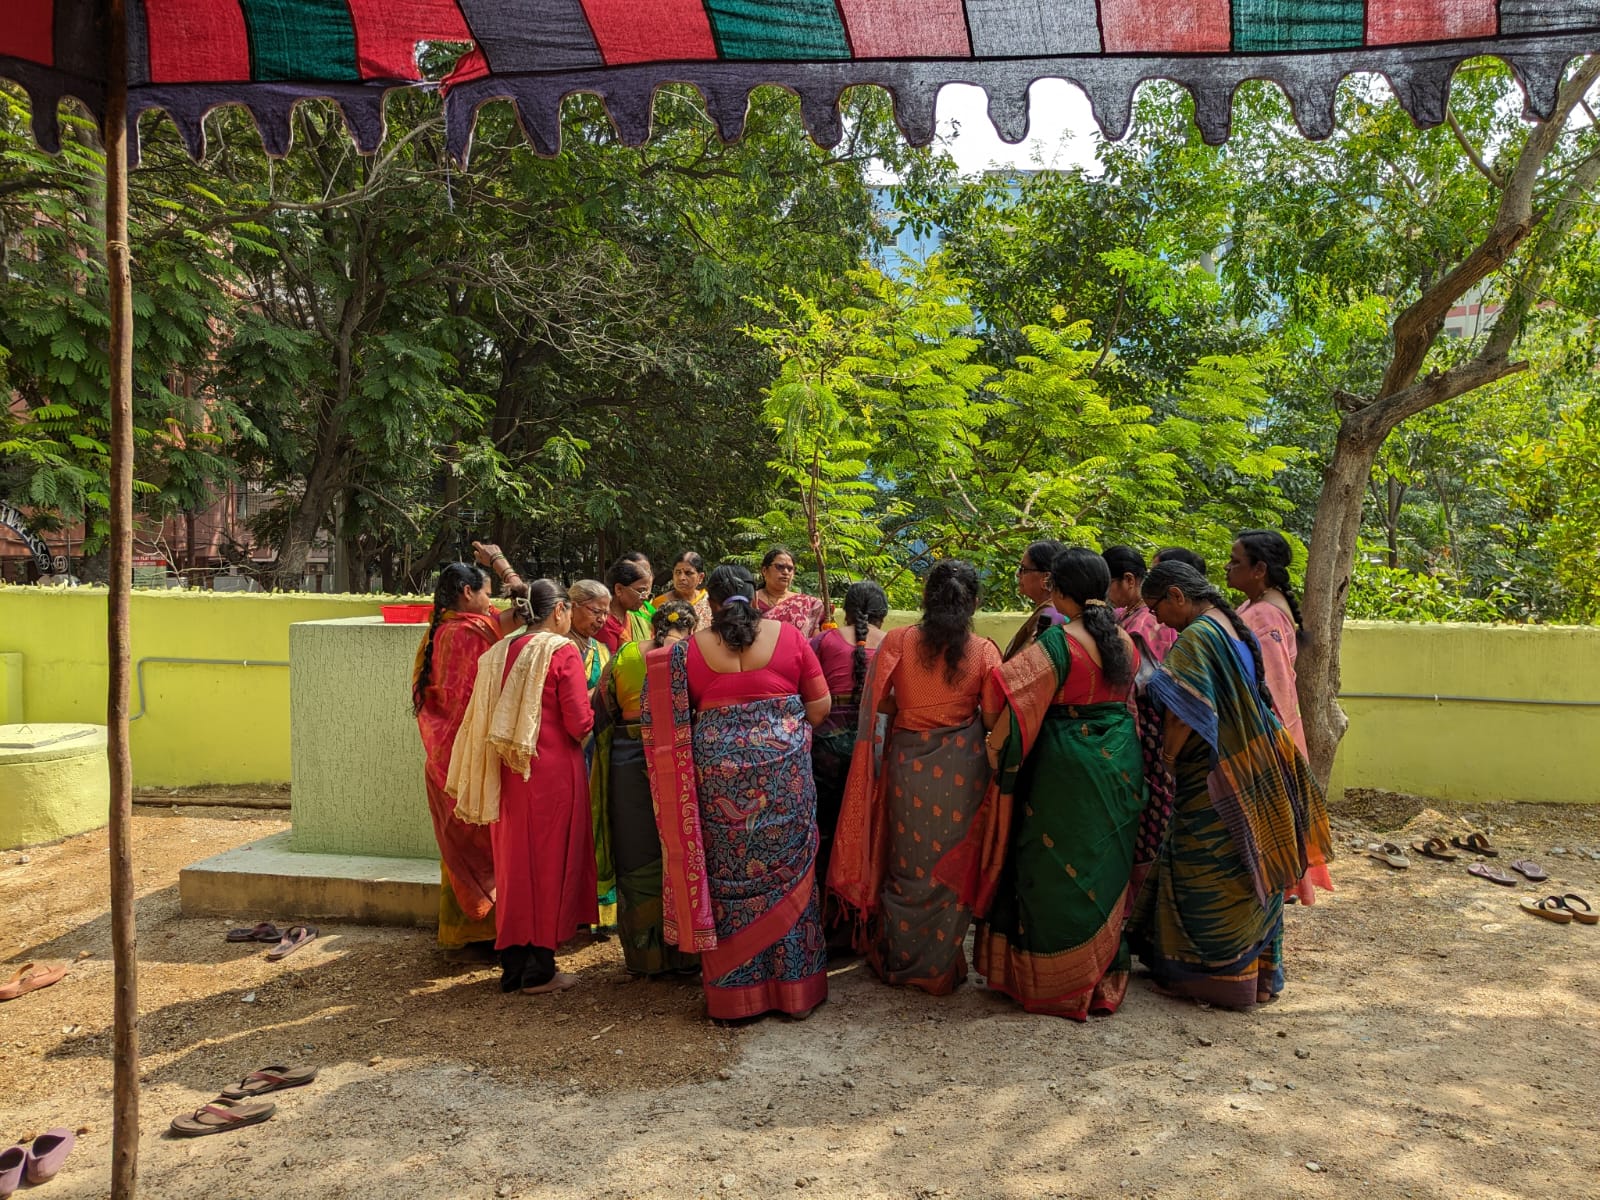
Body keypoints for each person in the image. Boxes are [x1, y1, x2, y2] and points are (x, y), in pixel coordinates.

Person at [1128, 561, 1333, 1008]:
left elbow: (1184, 709)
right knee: (1251, 864)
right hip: (1258, 759)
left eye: (1157, 607)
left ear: (1178, 595)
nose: (1157, 619)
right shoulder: (1232, 624)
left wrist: (1165, 757)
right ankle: (1258, 975)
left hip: (1216, 772)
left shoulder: (1199, 636)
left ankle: (1213, 978)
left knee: (1207, 870)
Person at [641, 564, 832, 1020]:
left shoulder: (686, 651)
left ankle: (736, 997)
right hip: (784, 782)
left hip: (717, 784)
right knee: (791, 875)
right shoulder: (791, 638)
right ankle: (794, 992)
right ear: (755, 592)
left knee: (728, 877)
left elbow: (671, 727)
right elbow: (820, 707)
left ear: (711, 600)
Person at [970, 548, 1149, 1019]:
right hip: (1120, 763)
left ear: (1058, 590)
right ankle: (1100, 977)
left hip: (1067, 767)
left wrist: (994, 744)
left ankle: (1055, 985)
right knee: (1104, 867)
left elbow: (1005, 692)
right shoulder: (1127, 643)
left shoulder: (1058, 643)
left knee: (1052, 868)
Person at [830, 560, 1000, 995]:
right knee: (951, 864)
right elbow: (994, 715)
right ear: (974, 603)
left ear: (925, 599)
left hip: (908, 763)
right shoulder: (984, 651)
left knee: (907, 864)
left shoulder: (899, 642)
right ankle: (941, 966)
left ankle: (900, 960)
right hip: (963, 770)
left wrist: (914, 712)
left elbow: (878, 702)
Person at [448, 580, 598, 995]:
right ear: (560, 611)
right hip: (550, 774)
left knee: (514, 867)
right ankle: (541, 970)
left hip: (506, 776)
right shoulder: (560, 650)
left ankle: (515, 967)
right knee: (548, 866)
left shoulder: (497, 652)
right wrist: (596, 697)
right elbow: (579, 722)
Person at [411, 553, 524, 957]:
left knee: (459, 842)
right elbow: (528, 605)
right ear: (467, 592)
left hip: (443, 756)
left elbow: (525, 609)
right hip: (469, 757)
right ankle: (487, 931)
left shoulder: (442, 629)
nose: (493, 602)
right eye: (487, 594)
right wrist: (501, 564)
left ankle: (465, 932)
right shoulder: (468, 633)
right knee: (485, 841)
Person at [1225, 529, 1333, 904]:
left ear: (1259, 569)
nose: (1227, 567)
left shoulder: (1265, 616)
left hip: (1267, 734)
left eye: (1236, 561)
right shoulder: (1255, 607)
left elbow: (1275, 690)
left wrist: (1264, 741)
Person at [598, 601, 701, 976]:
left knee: (635, 854)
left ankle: (646, 959)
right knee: (681, 851)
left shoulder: (626, 653)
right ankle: (687, 953)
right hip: (677, 759)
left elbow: (603, 704)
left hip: (628, 758)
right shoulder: (692, 655)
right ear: (693, 627)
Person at [809, 581, 889, 916]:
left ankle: (824, 916)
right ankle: (861, 915)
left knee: (824, 832)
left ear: (845, 610)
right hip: (873, 754)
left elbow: (807, 694)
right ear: (882, 615)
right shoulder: (890, 644)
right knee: (868, 833)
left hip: (825, 753)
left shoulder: (823, 641)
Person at [1104, 545, 1176, 662]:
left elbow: (1142, 677)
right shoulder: (1128, 612)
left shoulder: (1146, 621)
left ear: (1129, 580)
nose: (1106, 592)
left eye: (1108, 584)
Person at [1003, 540, 1065, 660]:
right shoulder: (1053, 610)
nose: (1017, 574)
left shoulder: (1050, 615)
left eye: (1023, 569)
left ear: (1046, 579)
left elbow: (1023, 666)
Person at [753, 546, 827, 637]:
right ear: (764, 571)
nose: (785, 572)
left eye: (790, 569)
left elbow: (817, 641)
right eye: (779, 567)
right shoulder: (751, 599)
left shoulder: (807, 604)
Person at [599, 556, 655, 652]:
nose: (645, 597)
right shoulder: (603, 623)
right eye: (641, 591)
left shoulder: (637, 620)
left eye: (646, 592)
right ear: (619, 589)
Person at [567, 580, 613, 693]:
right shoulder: (556, 644)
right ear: (573, 607)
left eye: (605, 614)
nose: (602, 619)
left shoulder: (602, 650)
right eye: (596, 611)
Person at [655, 551, 712, 631]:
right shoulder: (660, 603)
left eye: (688, 573)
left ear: (701, 577)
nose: (682, 578)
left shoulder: (709, 601)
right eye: (678, 572)